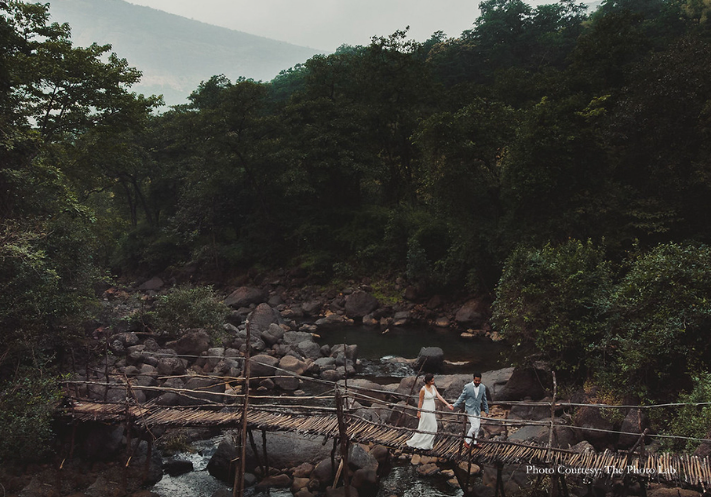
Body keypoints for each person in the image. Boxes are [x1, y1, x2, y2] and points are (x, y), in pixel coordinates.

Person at [406, 373, 454, 450]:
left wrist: (447, 404)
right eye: (432, 381)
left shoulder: (433, 387)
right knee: (432, 426)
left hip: (432, 408)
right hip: (426, 408)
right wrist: (419, 411)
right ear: (428, 381)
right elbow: (420, 401)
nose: (433, 382)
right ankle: (422, 443)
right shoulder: (423, 389)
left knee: (431, 426)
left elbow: (439, 396)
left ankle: (427, 443)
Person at [452, 372, 489, 448]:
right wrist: (454, 405)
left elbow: (484, 399)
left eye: (479, 381)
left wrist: (486, 410)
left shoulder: (482, 387)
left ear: (481, 380)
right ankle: (467, 441)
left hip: (477, 409)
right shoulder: (467, 387)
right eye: (476, 381)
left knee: (477, 427)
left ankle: (474, 442)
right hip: (469, 409)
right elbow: (461, 398)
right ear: (473, 379)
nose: (477, 382)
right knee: (475, 426)